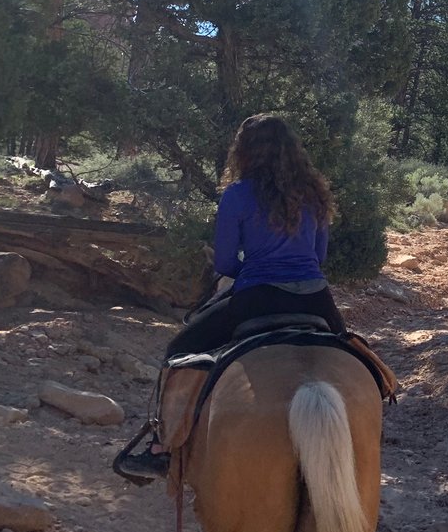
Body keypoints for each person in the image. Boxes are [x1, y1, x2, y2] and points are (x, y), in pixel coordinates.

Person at [116, 114, 347, 481]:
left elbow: (225, 261)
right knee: (354, 354)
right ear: (293, 150)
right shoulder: (315, 194)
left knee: (179, 350)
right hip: (315, 298)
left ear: (245, 151)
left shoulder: (237, 195)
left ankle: (160, 447)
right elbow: (318, 258)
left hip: (257, 296)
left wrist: (257, 267)